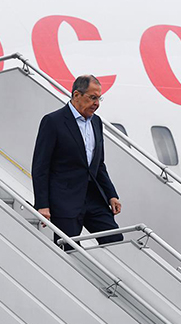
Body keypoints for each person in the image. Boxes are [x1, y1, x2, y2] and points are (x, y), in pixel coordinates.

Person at [32, 75, 124, 250]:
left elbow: (98, 164)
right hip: (65, 200)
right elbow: (40, 166)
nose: (96, 103)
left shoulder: (96, 122)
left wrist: (111, 194)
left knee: (115, 239)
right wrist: (42, 205)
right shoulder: (53, 121)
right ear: (76, 95)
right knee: (69, 250)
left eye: (99, 98)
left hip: (93, 198)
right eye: (93, 97)